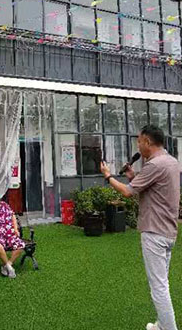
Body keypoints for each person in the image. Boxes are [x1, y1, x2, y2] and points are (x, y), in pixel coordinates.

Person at [100, 125, 180, 330]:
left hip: (155, 232)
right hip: (168, 231)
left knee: (159, 288)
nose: (138, 146)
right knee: (162, 282)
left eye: (139, 142)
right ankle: (161, 325)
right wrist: (132, 176)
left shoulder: (154, 165)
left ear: (148, 142)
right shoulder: (171, 162)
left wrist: (108, 176)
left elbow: (127, 192)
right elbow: (151, 189)